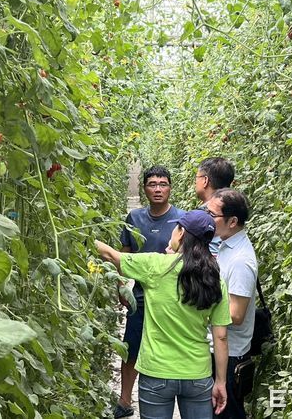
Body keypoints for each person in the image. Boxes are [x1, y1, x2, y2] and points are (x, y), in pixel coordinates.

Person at [96, 210, 231, 419]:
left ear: (181, 234)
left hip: (156, 372)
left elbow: (110, 255)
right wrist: (220, 381)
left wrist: (84, 237)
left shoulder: (156, 266)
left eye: (176, 228)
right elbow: (221, 337)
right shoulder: (214, 280)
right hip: (197, 374)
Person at [114, 166, 185, 418]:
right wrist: (121, 285)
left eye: (163, 184)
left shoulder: (181, 220)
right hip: (141, 298)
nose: (158, 189)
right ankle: (124, 401)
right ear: (144, 188)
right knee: (131, 347)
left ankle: (169, 397)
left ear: (170, 188)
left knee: (170, 347)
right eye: (152, 184)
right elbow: (125, 254)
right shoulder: (134, 218)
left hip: (172, 300)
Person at [204, 189, 258, 419]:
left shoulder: (241, 261)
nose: (207, 220)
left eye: (212, 215)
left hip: (229, 356)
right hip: (219, 351)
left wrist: (199, 308)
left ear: (233, 221)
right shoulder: (226, 246)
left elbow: (235, 315)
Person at [194, 158, 235, 256]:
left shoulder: (204, 214)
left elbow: (212, 253)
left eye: (196, 178)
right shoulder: (234, 211)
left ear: (205, 180)